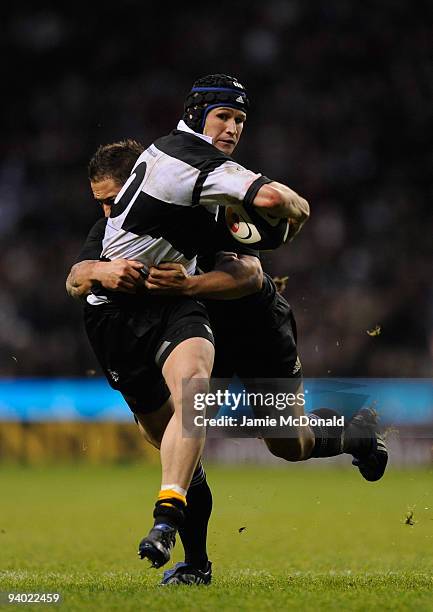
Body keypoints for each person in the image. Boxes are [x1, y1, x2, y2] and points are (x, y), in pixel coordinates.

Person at [67, 73, 387, 581]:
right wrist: (102, 270)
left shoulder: (210, 199)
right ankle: (195, 563)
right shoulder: (124, 221)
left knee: (286, 442)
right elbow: (80, 273)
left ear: (137, 183)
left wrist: (185, 288)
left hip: (251, 325)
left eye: (113, 200)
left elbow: (249, 274)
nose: (109, 212)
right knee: (185, 434)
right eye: (102, 204)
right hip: (190, 325)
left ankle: (354, 435)